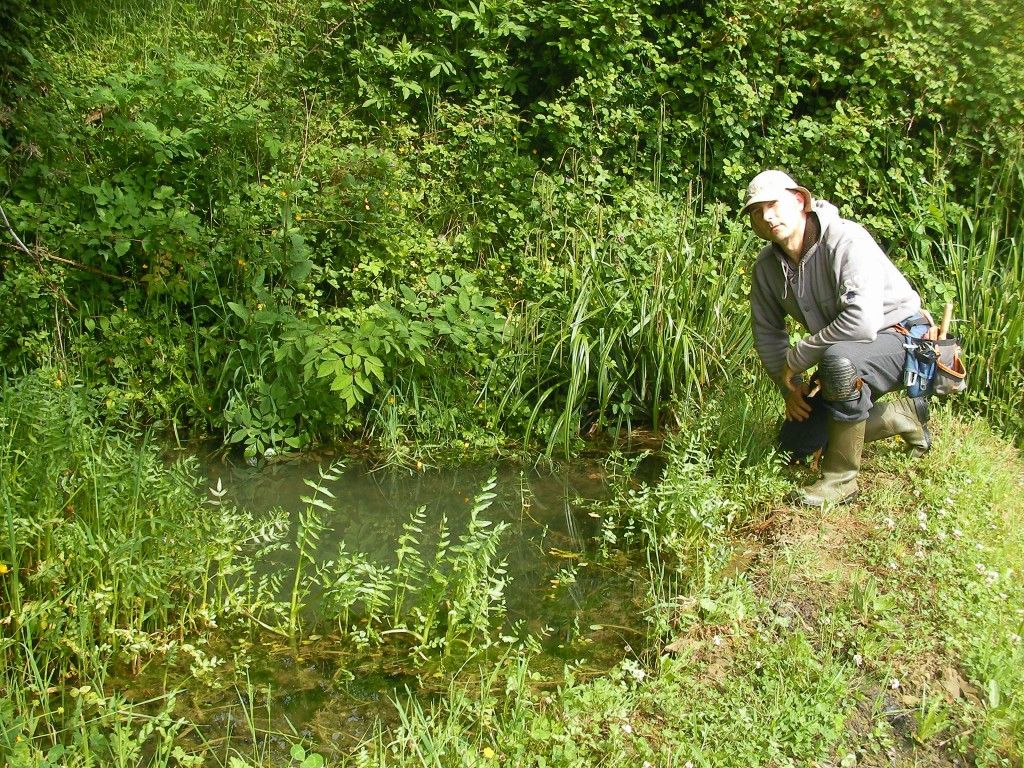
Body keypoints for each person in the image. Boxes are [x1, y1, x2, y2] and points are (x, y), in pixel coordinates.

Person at [741, 170, 932, 506]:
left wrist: (800, 356)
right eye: (757, 211)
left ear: (799, 200)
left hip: (902, 339)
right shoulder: (766, 267)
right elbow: (767, 333)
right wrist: (789, 388)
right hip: (844, 349)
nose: (767, 216)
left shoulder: (846, 240)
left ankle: (841, 480)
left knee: (839, 363)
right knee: (796, 443)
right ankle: (901, 416)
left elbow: (861, 322)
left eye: (773, 204)